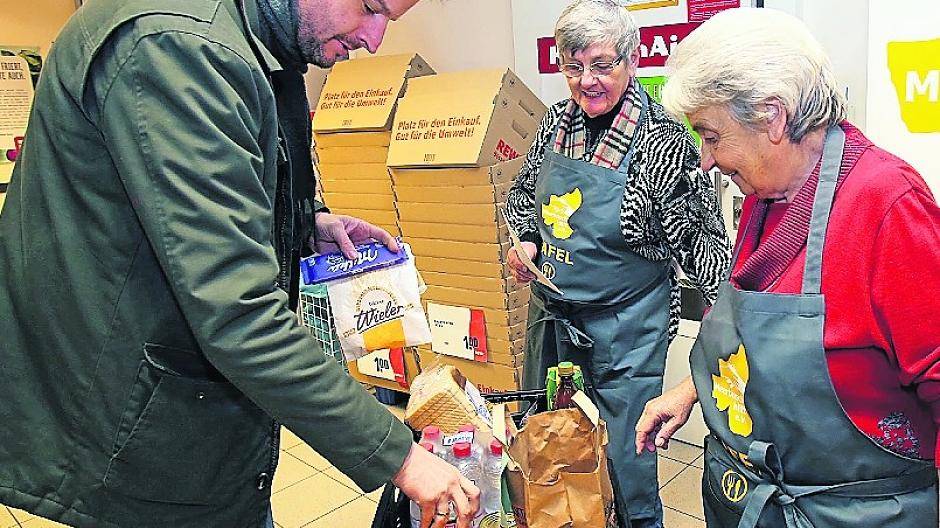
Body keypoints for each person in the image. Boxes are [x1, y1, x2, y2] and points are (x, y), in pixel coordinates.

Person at [0, 0, 480, 527]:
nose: (374, 38)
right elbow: (237, 310)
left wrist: (305, 223)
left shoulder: (260, 36)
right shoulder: (180, 47)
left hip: (195, 426)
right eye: (370, 7)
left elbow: (212, 188)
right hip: (133, 436)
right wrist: (399, 456)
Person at [635, 8, 940, 527]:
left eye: (712, 135)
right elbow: (762, 340)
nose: (706, 160)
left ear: (772, 116)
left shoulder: (888, 205)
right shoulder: (767, 193)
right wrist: (695, 390)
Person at [503, 1, 730, 526]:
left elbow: (705, 253)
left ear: (631, 61)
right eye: (573, 66)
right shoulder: (554, 126)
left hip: (625, 331)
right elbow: (522, 199)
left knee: (627, 461)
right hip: (553, 321)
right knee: (553, 446)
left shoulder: (664, 142)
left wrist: (730, 333)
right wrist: (526, 242)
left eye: (602, 65)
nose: (587, 81)